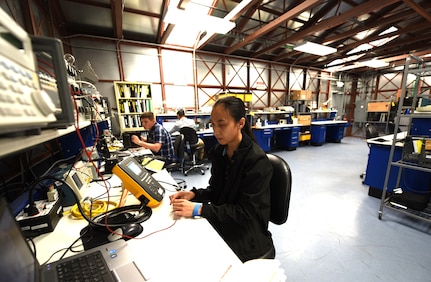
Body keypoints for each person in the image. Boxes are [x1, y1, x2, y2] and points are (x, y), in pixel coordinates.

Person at [169, 96, 275, 262]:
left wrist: (200, 209)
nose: (216, 131)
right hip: (225, 220)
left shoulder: (256, 161)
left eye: (222, 124)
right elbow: (217, 190)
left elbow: (244, 212)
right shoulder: (221, 152)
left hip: (248, 235)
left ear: (240, 123)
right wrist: (193, 194)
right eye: (213, 124)